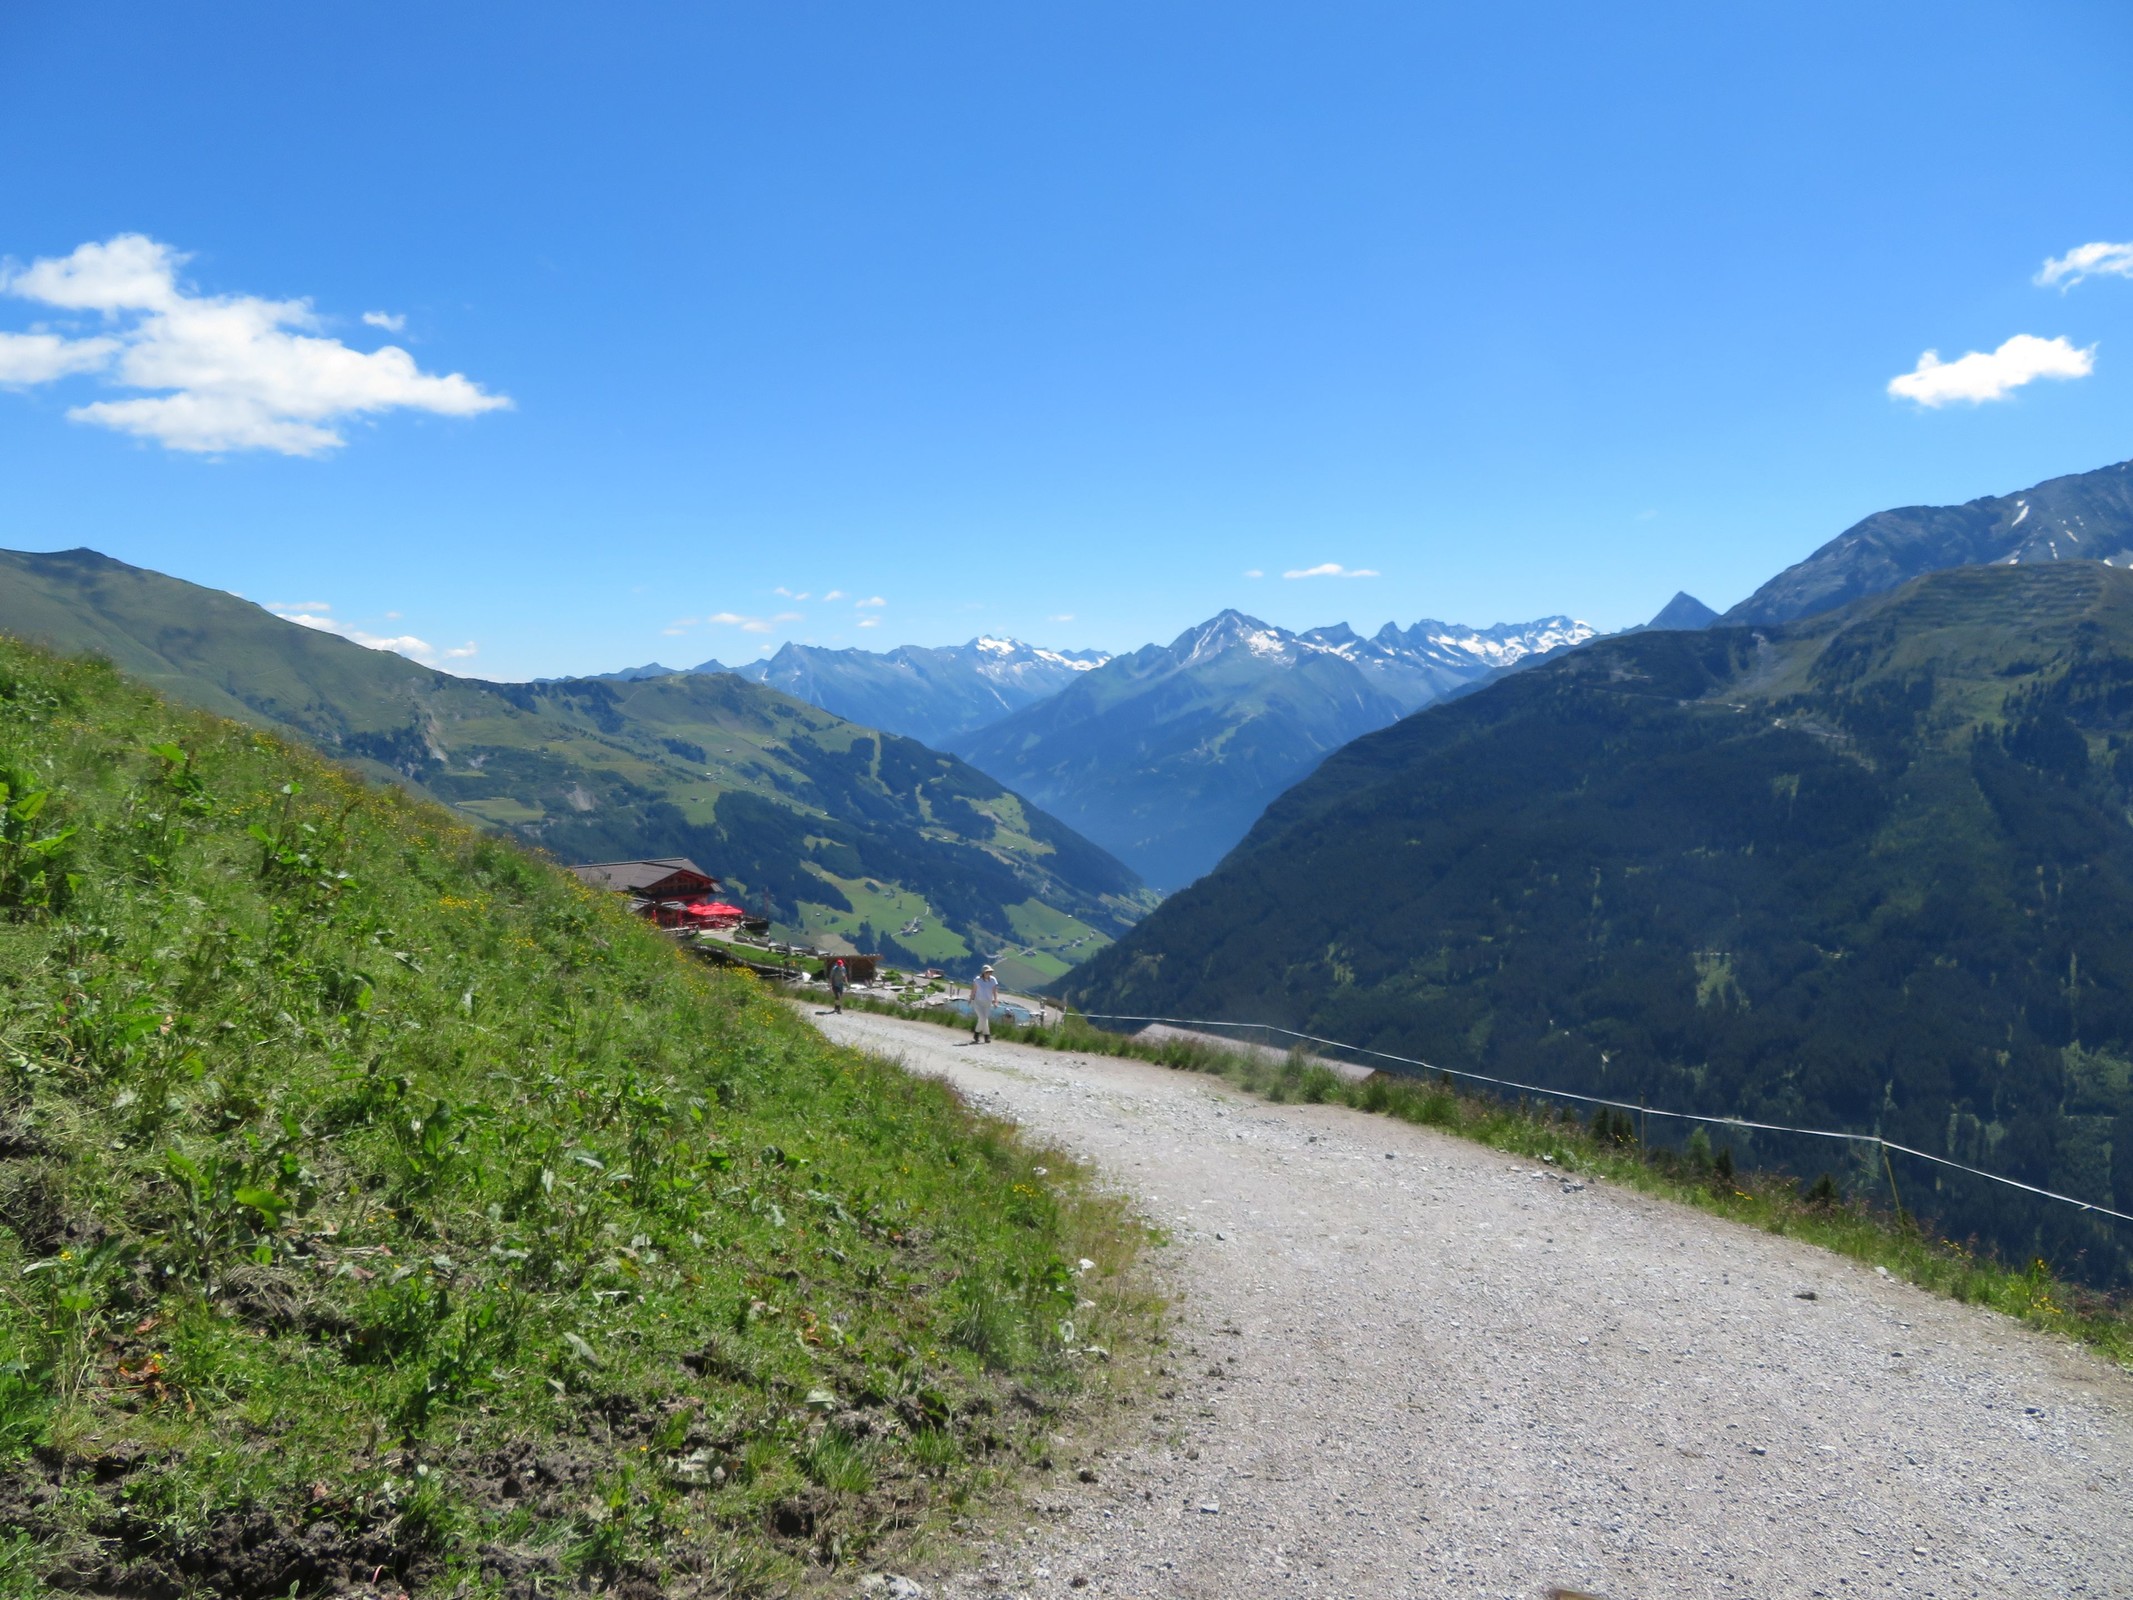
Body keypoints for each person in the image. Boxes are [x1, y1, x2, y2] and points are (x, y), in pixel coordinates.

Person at [970, 963, 999, 1043]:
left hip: (987, 1003)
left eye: (990, 972)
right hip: (978, 1003)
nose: (989, 973)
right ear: (983, 973)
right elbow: (974, 990)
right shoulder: (977, 980)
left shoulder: (993, 980)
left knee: (983, 1019)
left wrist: (996, 1001)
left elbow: (995, 991)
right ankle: (987, 1036)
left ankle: (976, 1034)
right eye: (987, 972)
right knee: (983, 1018)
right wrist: (971, 999)